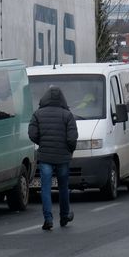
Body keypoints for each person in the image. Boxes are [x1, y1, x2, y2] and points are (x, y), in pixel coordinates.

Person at [29, 86, 79, 231]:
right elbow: (72, 138)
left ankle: (48, 219)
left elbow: (32, 133)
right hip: (63, 157)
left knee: (45, 188)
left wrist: (42, 143)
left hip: (45, 157)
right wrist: (69, 151)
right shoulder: (67, 115)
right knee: (63, 187)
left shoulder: (38, 114)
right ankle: (64, 215)